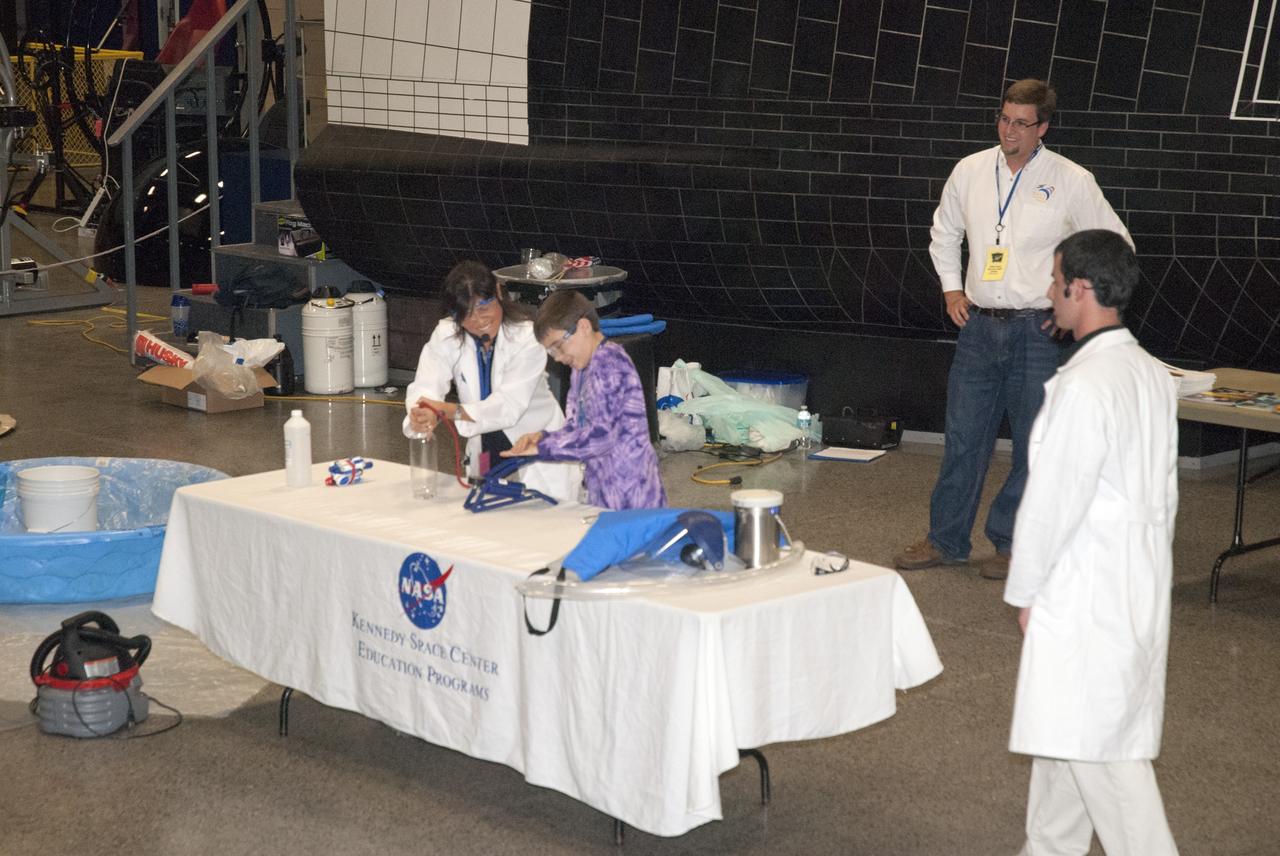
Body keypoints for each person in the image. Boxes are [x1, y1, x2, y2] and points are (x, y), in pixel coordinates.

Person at [895, 79, 1132, 581]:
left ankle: (1013, 542)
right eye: (1004, 119)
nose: (1009, 131)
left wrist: (1072, 301)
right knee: (963, 439)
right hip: (978, 326)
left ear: (1043, 127)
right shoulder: (970, 170)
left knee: (1033, 445)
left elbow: (1116, 243)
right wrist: (951, 290)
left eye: (1022, 124)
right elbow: (944, 233)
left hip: (1038, 330)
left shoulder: (1070, 179)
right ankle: (946, 539)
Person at [1005, 230, 1179, 855]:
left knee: (1102, 754)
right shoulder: (1149, 372)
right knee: (1065, 738)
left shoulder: (1085, 385)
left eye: (1055, 282)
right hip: (1133, 579)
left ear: (1079, 290)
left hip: (1085, 586)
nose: (1049, 293)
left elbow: (1053, 502)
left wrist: (1027, 591)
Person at [403, 261, 578, 500]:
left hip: (537, 455)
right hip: (485, 453)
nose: (478, 320)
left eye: (484, 307)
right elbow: (426, 385)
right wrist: (422, 413)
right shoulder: (447, 334)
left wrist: (449, 411)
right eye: (466, 314)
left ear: (498, 292)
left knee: (541, 519)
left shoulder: (527, 337)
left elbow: (507, 407)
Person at [503, 291, 666, 510]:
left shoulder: (609, 365)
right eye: (551, 352)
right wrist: (543, 437)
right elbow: (577, 428)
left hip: (632, 494)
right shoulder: (582, 368)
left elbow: (601, 438)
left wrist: (544, 447)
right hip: (603, 488)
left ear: (583, 327)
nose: (558, 358)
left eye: (558, 346)